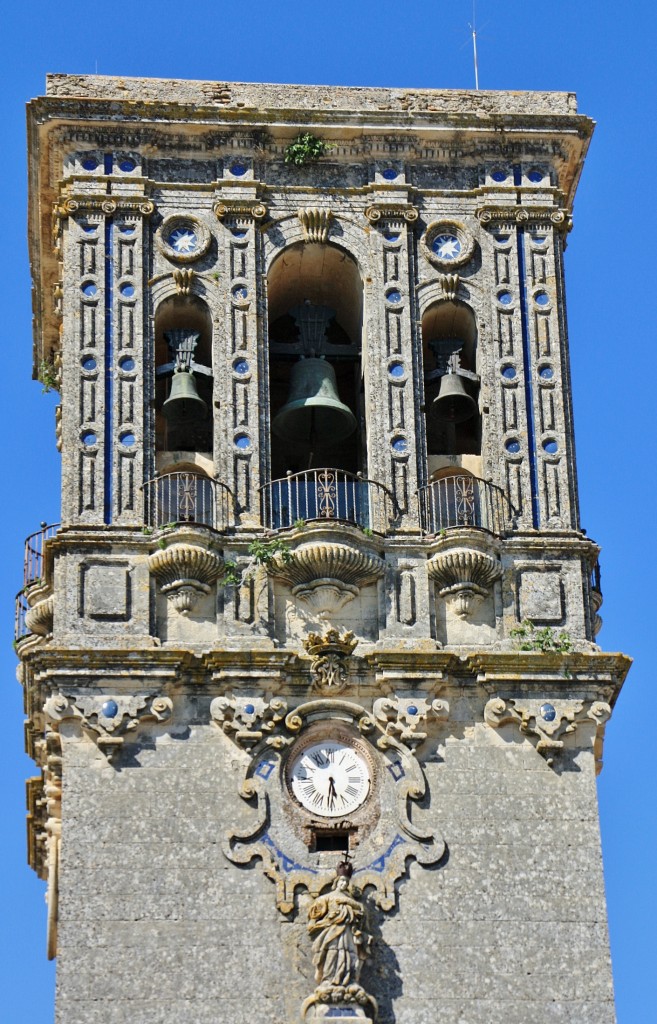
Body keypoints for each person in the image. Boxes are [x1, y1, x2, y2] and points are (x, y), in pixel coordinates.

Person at [307, 870, 371, 987]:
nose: (344, 884)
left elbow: (361, 909)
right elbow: (316, 910)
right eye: (342, 880)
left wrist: (346, 901)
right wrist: (315, 920)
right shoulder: (328, 897)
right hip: (333, 929)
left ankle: (348, 979)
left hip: (348, 930)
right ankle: (328, 978)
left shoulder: (349, 899)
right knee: (332, 952)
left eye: (346, 882)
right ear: (336, 882)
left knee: (349, 953)